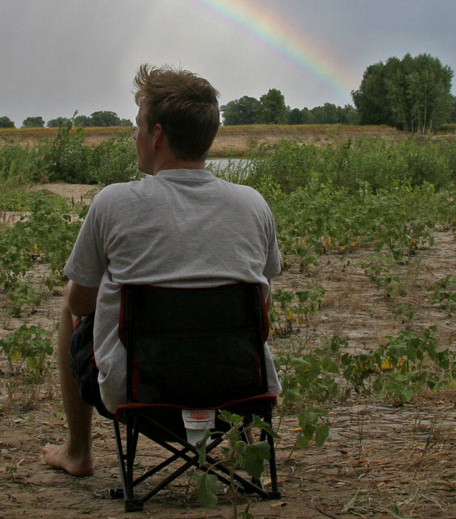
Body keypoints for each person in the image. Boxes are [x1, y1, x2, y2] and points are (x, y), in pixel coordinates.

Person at [41, 64, 283, 477]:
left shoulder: (113, 203)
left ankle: (77, 452)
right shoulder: (253, 204)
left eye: (137, 125)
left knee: (69, 311)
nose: (133, 135)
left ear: (156, 135)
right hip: (240, 390)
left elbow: (83, 303)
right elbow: (261, 301)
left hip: (140, 391)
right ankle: (242, 445)